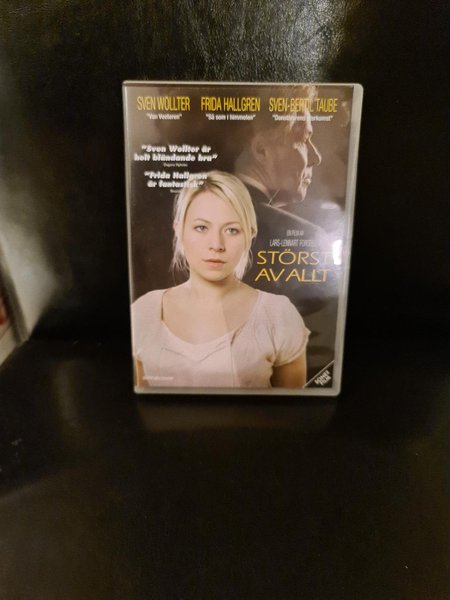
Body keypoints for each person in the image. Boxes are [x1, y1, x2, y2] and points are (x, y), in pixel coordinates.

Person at [131, 171, 309, 390]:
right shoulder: (144, 312)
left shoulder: (277, 314)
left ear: (250, 234)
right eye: (201, 227)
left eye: (232, 230)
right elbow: (140, 403)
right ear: (179, 229)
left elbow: (291, 408)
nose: (216, 244)